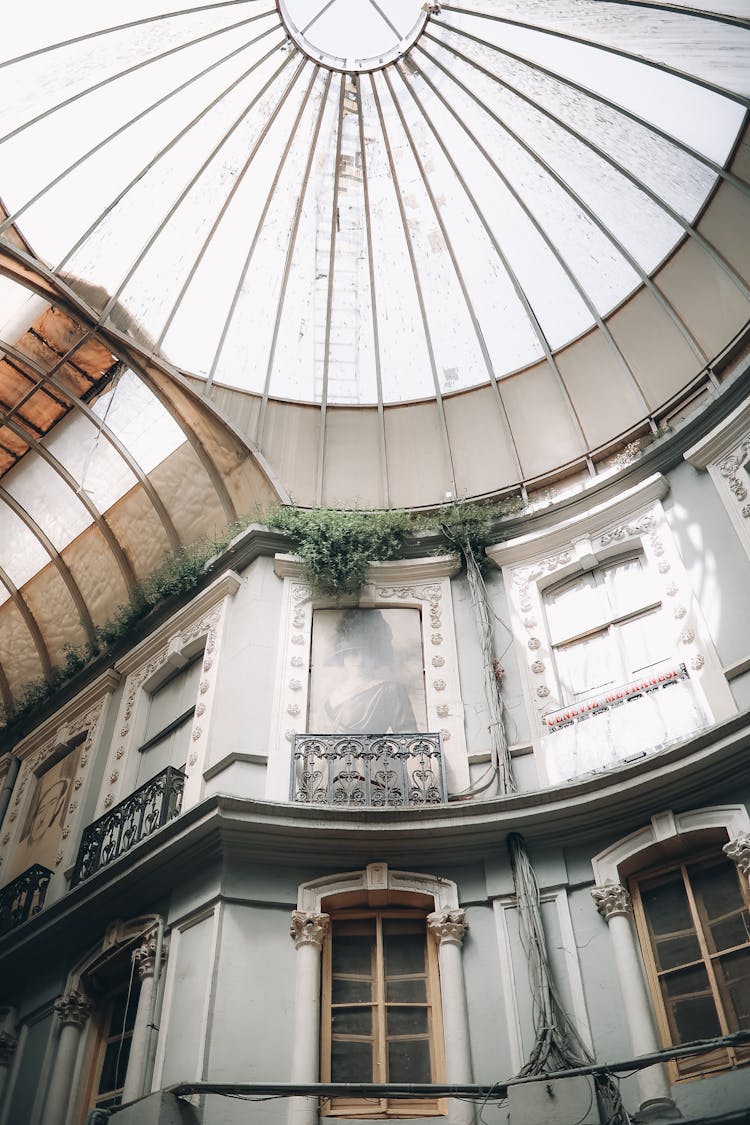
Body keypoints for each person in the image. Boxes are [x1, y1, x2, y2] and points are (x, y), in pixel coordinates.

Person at [321, 609, 418, 734]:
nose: (360, 660)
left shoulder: (389, 690)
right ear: (343, 656)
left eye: (368, 654)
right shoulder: (331, 694)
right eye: (353, 653)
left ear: (377, 657)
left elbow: (408, 733)